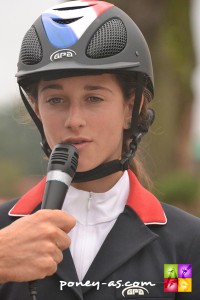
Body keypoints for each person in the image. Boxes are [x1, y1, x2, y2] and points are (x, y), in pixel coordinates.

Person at [0, 1, 199, 299]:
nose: (74, 120)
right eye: (56, 100)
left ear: (131, 108)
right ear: (37, 110)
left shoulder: (183, 245)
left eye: (94, 98)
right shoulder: (4, 231)